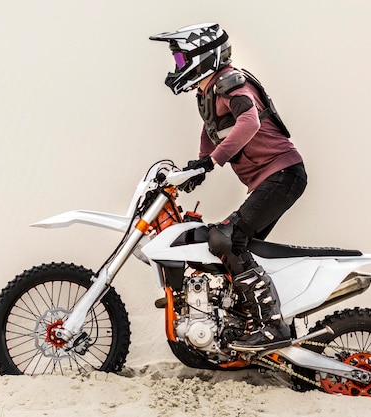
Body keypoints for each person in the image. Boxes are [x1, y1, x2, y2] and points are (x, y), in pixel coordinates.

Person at [150, 23, 307, 351]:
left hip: (283, 173)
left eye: (181, 60)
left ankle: (270, 328)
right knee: (236, 250)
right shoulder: (207, 92)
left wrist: (212, 162)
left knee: (226, 238)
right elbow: (211, 131)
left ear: (202, 56)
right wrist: (198, 167)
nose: (178, 66)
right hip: (270, 179)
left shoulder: (230, 82)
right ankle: (245, 320)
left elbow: (249, 122)